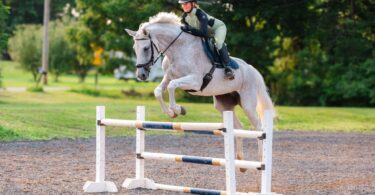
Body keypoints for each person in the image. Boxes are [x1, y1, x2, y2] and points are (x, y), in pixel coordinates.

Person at [178, 0, 235, 80]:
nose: (184, 6)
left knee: (218, 43)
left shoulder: (200, 13)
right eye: (182, 4)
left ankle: (228, 68)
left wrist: (189, 29)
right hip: (206, 32)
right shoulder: (184, 17)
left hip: (218, 28)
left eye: (186, 3)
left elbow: (203, 33)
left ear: (193, 4)